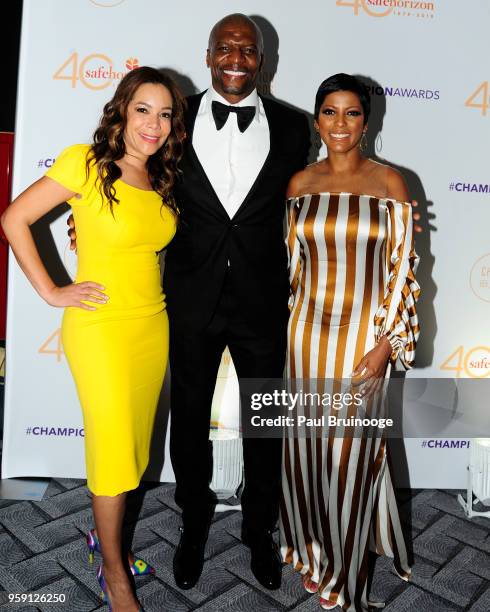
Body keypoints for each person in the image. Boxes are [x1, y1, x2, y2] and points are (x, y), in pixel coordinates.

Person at [1, 67, 186, 612]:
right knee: (111, 455)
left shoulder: (163, 180)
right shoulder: (85, 163)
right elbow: (15, 219)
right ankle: (113, 572)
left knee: (130, 452)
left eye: (165, 113)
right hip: (100, 329)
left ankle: (99, 541)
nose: (153, 124)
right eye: (143, 110)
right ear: (122, 112)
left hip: (152, 326)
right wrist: (54, 290)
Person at [163, 13, 310, 591]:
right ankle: (193, 524)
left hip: (262, 301)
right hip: (191, 297)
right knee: (189, 421)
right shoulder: (173, 118)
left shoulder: (296, 128)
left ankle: (258, 532)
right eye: (225, 48)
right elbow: (137, 177)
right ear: (207, 54)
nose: (235, 58)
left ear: (262, 60)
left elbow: (317, 199)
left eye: (247, 50)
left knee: (265, 425)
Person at [280, 74, 420, 611]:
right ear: (317, 119)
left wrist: (387, 343)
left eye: (352, 113)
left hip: (364, 339)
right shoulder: (298, 185)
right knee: (308, 454)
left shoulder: (391, 184)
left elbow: (401, 271)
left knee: (354, 458)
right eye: (330, 112)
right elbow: (289, 269)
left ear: (368, 120)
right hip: (304, 336)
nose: (340, 124)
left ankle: (349, 570)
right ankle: (313, 550)